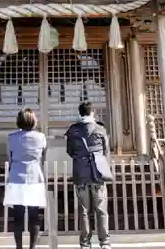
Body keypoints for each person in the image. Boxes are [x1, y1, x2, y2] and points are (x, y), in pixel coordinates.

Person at [65, 101, 112, 249]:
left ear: (79, 113)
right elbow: (105, 151)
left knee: (84, 210)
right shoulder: (100, 129)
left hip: (81, 173)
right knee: (101, 209)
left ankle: (85, 242)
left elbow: (70, 151)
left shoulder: (73, 130)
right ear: (92, 113)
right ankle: (104, 242)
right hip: (97, 172)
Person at [3, 108, 48, 249]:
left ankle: (19, 247)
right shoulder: (41, 137)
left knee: (18, 216)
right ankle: (33, 247)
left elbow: (10, 158)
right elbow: (43, 156)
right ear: (33, 121)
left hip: (16, 177)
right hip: (35, 177)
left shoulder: (11, 138)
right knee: (35, 216)